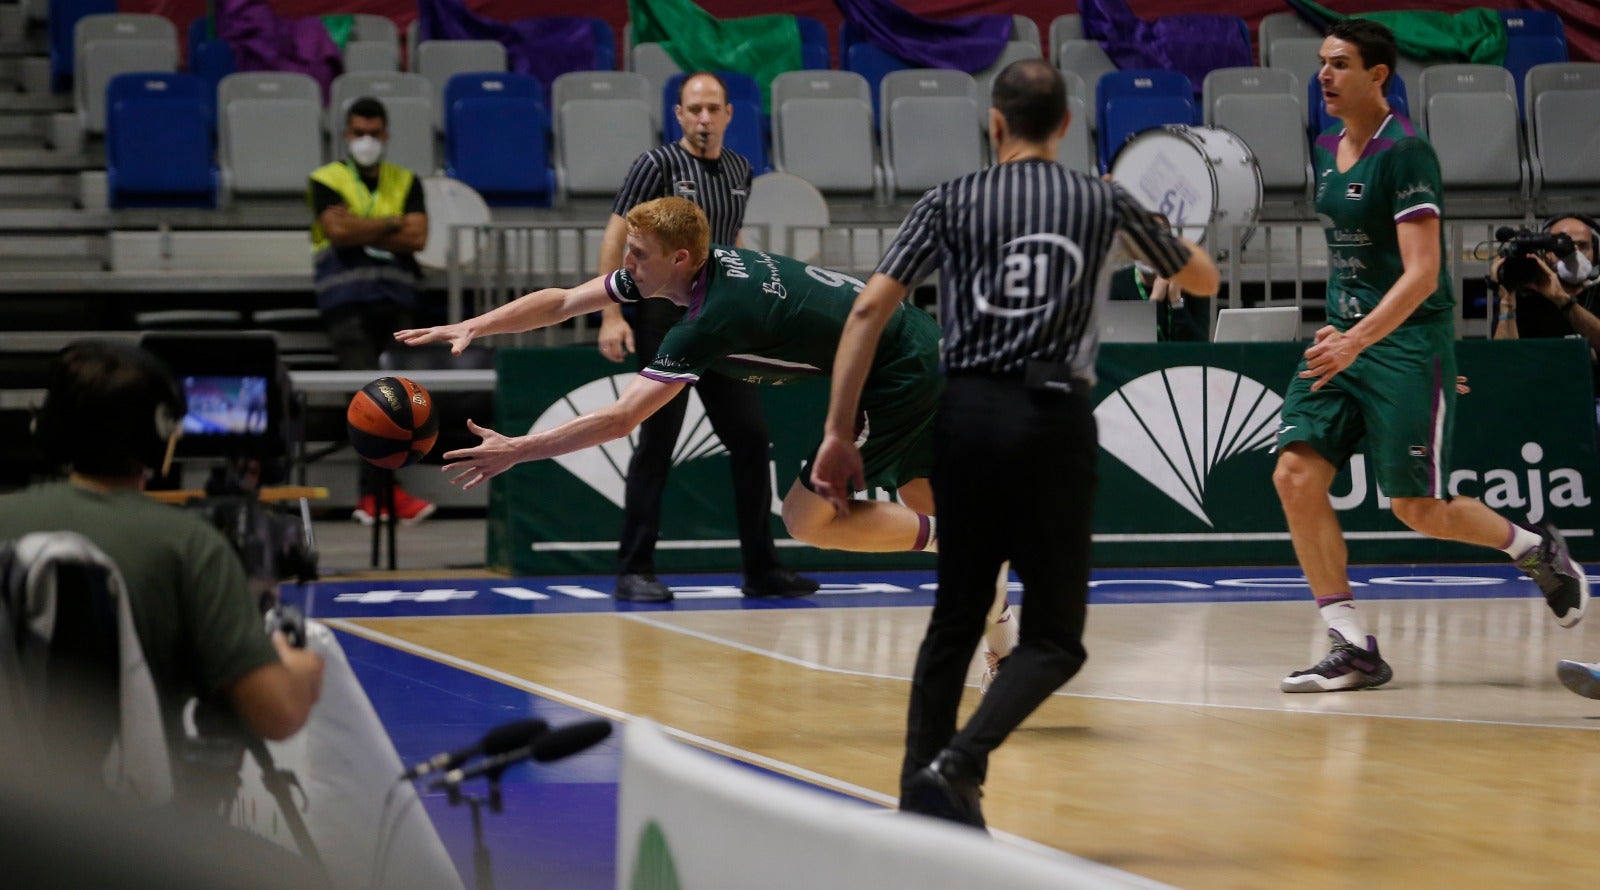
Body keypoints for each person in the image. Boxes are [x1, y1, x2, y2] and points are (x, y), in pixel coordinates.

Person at [811, 59, 1220, 829]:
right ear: (1065, 125)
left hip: (964, 414)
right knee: (1056, 639)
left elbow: (866, 312)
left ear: (994, 123)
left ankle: (920, 797)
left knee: (955, 619)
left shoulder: (949, 199)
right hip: (1052, 418)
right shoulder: (1101, 199)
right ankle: (962, 760)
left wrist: (838, 431)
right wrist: (1151, 224)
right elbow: (1202, 281)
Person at [1272, 19, 1589, 694]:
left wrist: (1361, 339)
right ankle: (1351, 646)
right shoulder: (1327, 148)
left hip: (1407, 342)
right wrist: (1341, 330)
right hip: (1344, 340)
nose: (1323, 74)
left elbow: (1420, 275)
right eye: (1322, 62)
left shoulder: (1407, 154)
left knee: (1417, 508)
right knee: (1294, 477)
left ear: (1377, 75)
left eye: (1339, 63)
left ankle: (1535, 550)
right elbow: (1353, 260)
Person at [0, 341, 324, 805]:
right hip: (128, 831)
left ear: (47, 425)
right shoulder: (189, 546)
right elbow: (277, 713)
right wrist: (299, 664)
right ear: (163, 433)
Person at [594, 72, 815, 602]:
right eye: (694, 109)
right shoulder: (656, 165)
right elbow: (617, 233)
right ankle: (633, 568)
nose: (704, 118)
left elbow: (731, 240)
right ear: (678, 115)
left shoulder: (740, 169)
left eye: (713, 108)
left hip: (719, 318)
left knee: (750, 438)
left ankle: (761, 568)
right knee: (658, 440)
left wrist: (754, 301)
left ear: (729, 114)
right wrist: (610, 315)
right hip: (664, 317)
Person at [308, 96, 434, 526]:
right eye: (359, 133)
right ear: (346, 134)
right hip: (346, 302)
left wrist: (361, 227)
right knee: (369, 401)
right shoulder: (325, 179)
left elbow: (418, 238)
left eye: (374, 134)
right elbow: (337, 233)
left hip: (398, 301)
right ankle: (374, 496)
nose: (367, 140)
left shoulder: (405, 180)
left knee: (399, 401)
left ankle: (386, 494)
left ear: (386, 135)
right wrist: (392, 222)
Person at [1490, 214, 1600, 428]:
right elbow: (1504, 363)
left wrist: (1562, 300)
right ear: (1546, 254)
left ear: (1596, 253)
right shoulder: (1526, 297)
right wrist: (1507, 301)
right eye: (1562, 247)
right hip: (1540, 405)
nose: (1574, 254)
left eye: (1582, 246)